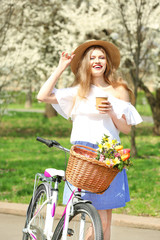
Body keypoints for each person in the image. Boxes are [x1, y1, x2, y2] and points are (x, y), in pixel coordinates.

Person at [37, 40, 142, 240]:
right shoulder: (78, 91)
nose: (97, 61)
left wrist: (111, 111)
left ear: (107, 62)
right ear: (86, 63)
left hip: (108, 156)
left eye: (101, 57)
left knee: (104, 221)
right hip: (82, 156)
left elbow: (126, 128)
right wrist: (61, 67)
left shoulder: (118, 90)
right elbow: (42, 96)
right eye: (92, 57)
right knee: (80, 212)